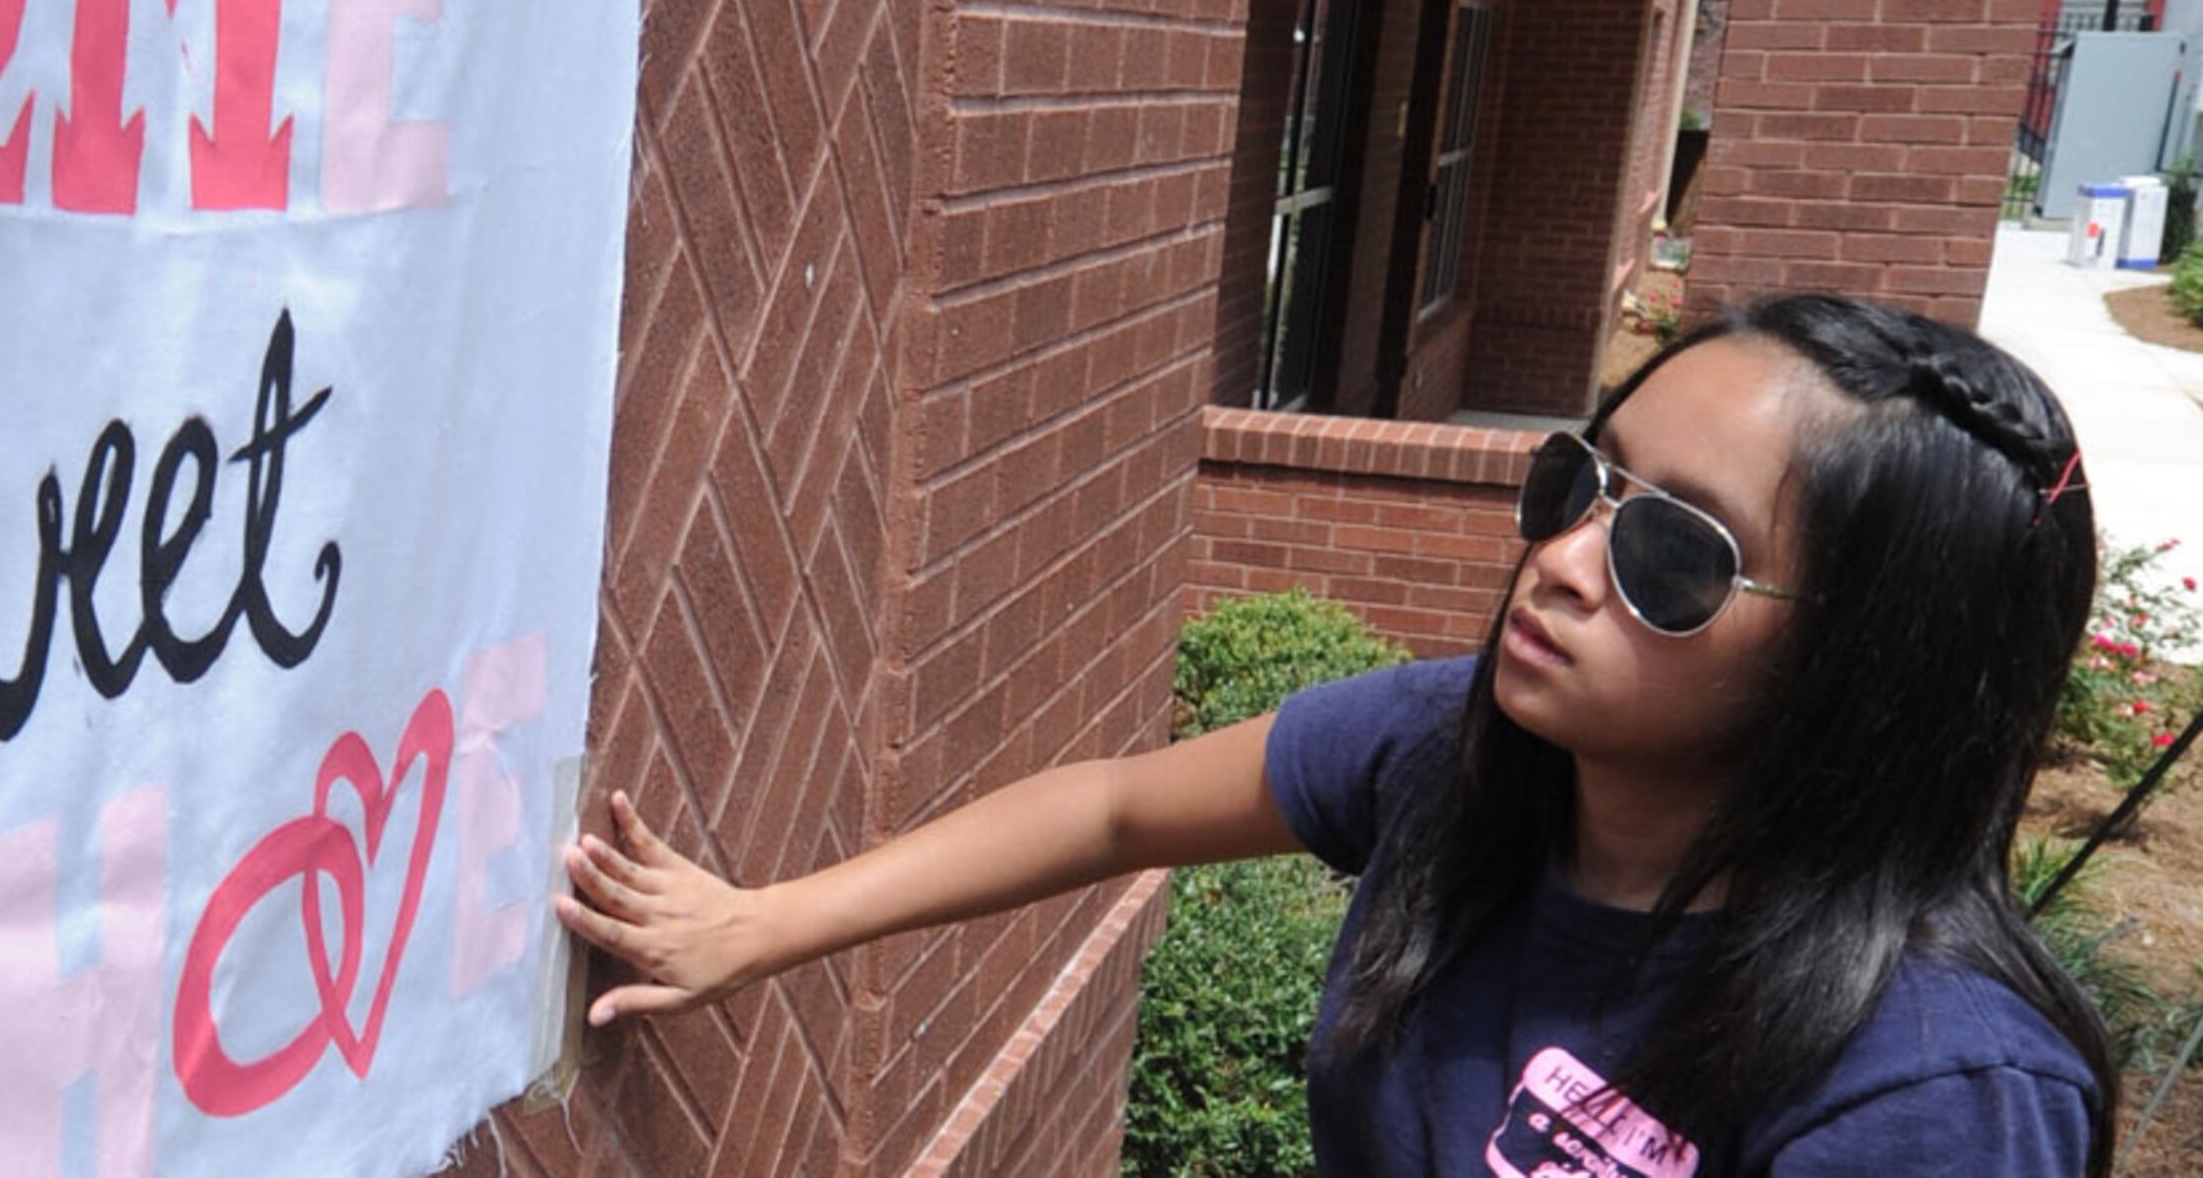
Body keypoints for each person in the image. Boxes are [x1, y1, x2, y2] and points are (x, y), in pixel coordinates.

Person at [556, 294, 2119, 1177]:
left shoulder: (1934, 1098)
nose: (1566, 560)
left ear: (1865, 670)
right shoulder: (1456, 752)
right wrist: (757, 926)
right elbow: (1113, 812)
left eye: (1676, 557)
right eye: (1583, 481)